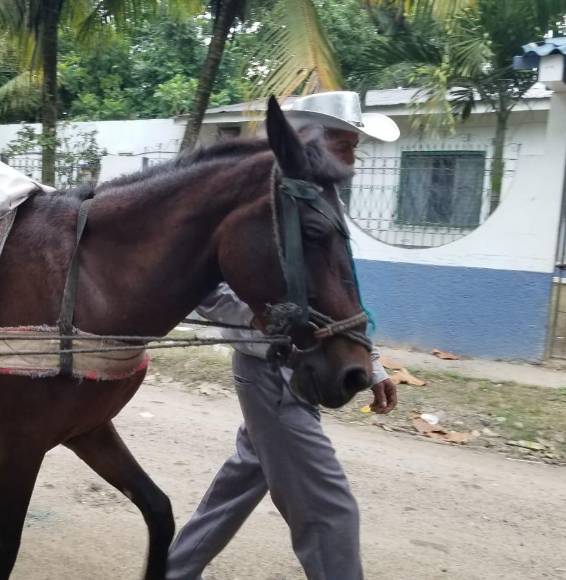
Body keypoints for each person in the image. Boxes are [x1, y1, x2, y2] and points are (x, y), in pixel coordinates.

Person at [167, 92, 400, 580]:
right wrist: (267, 328)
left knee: (239, 484)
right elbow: (203, 291)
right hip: (274, 372)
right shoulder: (258, 203)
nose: (354, 156)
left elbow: (337, 291)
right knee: (330, 512)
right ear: (311, 141)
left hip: (307, 365)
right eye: (345, 143)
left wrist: (371, 361)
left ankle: (170, 571)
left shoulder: (319, 200)